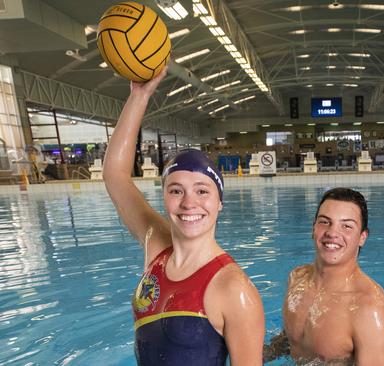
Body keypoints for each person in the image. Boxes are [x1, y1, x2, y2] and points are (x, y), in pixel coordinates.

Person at [103, 67, 265, 366]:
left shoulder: (234, 289)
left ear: (220, 203)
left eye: (202, 191)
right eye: (176, 191)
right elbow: (115, 175)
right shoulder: (155, 246)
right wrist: (139, 96)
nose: (189, 203)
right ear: (164, 196)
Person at [264, 188, 384, 365]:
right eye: (325, 222)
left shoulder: (370, 310)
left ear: (362, 238)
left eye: (347, 226)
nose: (332, 233)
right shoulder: (296, 279)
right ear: (313, 228)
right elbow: (290, 341)